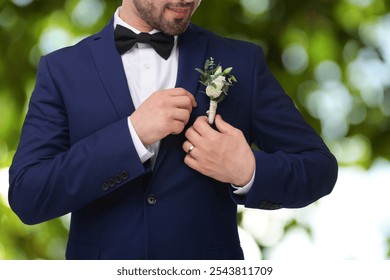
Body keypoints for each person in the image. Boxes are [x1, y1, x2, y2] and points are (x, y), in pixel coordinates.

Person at [8, 0, 338, 260]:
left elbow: (319, 168)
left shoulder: (242, 61)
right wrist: (132, 135)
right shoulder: (61, 70)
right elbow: (28, 195)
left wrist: (247, 170)